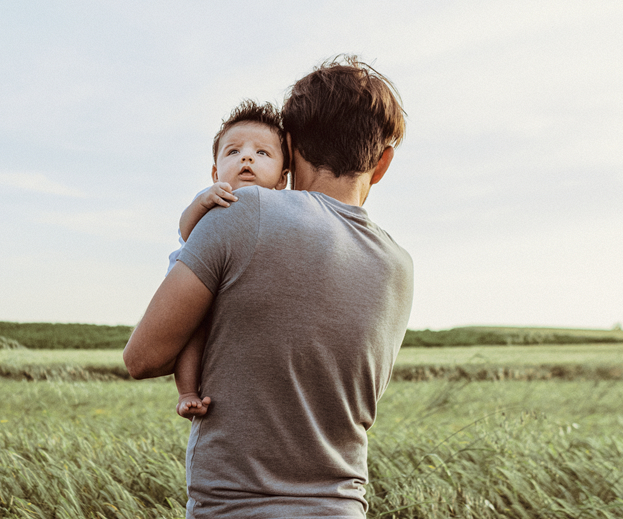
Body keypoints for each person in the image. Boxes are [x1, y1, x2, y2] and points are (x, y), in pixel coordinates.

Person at [124, 56, 413, 519]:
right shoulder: (400, 266)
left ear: (291, 147)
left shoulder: (242, 210)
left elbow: (143, 357)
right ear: (382, 163)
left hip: (235, 508)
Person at [168, 101, 290, 419]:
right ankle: (187, 392)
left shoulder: (281, 210)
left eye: (262, 153)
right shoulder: (214, 200)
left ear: (282, 178)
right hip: (196, 280)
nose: (246, 157)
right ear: (215, 172)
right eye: (233, 152)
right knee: (191, 336)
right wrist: (203, 203)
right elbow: (185, 230)